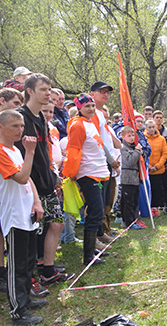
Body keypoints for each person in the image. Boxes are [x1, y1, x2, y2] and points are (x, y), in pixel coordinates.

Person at [17, 74, 73, 288]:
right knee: (32, 233)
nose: (48, 93)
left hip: (46, 181)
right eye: (43, 89)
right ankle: (29, 279)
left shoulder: (41, 118)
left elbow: (44, 152)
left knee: (57, 223)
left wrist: (53, 175)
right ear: (30, 91)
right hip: (28, 184)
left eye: (50, 89)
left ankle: (48, 269)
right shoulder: (21, 117)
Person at [0, 110, 45, 325]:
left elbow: (30, 182)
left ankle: (26, 299)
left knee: (28, 262)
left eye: (21, 125)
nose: (20, 130)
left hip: (27, 213)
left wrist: (36, 202)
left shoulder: (15, 150)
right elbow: (21, 177)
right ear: (1, 127)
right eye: (14, 126)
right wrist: (31, 152)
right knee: (17, 266)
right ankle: (18, 310)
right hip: (14, 216)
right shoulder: (2, 152)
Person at [63, 94, 112, 266]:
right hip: (86, 173)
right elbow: (74, 150)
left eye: (92, 105)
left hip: (97, 173)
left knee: (96, 212)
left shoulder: (90, 123)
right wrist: (70, 173)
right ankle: (88, 256)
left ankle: (92, 249)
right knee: (95, 212)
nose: (91, 109)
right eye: (87, 106)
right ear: (79, 109)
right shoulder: (77, 125)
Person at [89, 81, 122, 242]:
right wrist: (111, 160)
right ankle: (94, 237)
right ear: (92, 94)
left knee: (105, 200)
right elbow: (98, 140)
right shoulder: (92, 113)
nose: (106, 95)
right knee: (96, 203)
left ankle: (101, 232)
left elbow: (109, 139)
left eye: (107, 92)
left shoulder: (101, 114)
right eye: (102, 91)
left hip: (107, 162)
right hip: (97, 162)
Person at [119, 126, 145, 229]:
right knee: (128, 202)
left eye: (133, 135)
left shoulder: (134, 147)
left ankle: (134, 219)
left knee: (134, 200)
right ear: (123, 137)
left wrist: (141, 153)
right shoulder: (123, 148)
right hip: (127, 178)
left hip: (135, 178)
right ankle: (128, 222)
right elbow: (129, 162)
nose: (131, 137)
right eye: (129, 136)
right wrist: (137, 152)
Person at [144, 119, 167, 215]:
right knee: (148, 190)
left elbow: (165, 154)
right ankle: (147, 208)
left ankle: (155, 208)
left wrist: (157, 166)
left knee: (157, 189)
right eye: (149, 127)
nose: (151, 129)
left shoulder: (161, 139)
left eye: (153, 127)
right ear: (146, 128)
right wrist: (149, 166)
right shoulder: (143, 139)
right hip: (147, 170)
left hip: (158, 170)